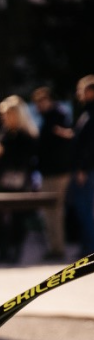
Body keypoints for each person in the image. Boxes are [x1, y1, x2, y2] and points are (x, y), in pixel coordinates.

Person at [0, 95, 38, 264]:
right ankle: (2, 251)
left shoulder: (25, 134)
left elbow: (25, 158)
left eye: (6, 114)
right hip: (1, 181)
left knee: (17, 218)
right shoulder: (4, 132)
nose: (3, 118)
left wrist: (3, 152)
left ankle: (15, 251)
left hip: (18, 182)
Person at [32, 87, 74, 262]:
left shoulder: (57, 115)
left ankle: (57, 248)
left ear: (47, 100)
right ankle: (55, 246)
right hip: (50, 171)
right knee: (50, 212)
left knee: (54, 211)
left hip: (56, 171)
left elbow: (68, 136)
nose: (38, 107)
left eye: (40, 102)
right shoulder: (50, 117)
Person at [66, 76, 94, 258]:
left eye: (82, 90)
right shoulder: (86, 112)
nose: (80, 94)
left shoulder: (91, 113)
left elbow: (90, 144)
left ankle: (89, 249)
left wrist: (83, 168)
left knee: (84, 208)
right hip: (86, 167)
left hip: (88, 169)